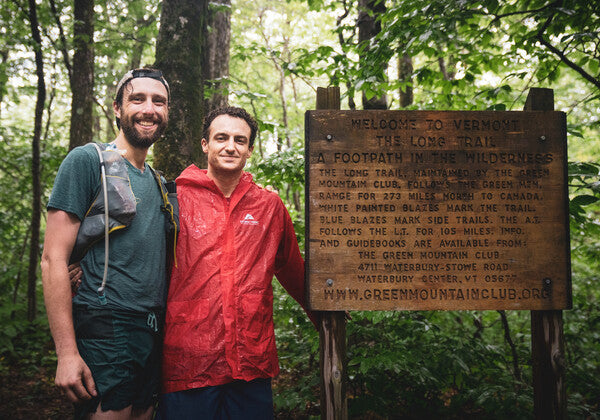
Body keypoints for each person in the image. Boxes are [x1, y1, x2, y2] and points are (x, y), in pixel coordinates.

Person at [156, 107, 317, 419]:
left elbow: (294, 269)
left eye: (239, 140)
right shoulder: (173, 198)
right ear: (205, 144)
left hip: (250, 360)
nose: (230, 146)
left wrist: (322, 310)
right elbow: (141, 259)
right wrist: (83, 266)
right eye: (221, 138)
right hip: (189, 360)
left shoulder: (269, 206)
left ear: (249, 150)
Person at [41, 68, 175, 420]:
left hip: (152, 328)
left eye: (158, 101)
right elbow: (53, 258)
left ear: (167, 113)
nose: (149, 109)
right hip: (105, 324)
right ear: (117, 108)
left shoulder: (161, 184)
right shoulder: (88, 161)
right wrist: (67, 354)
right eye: (137, 99)